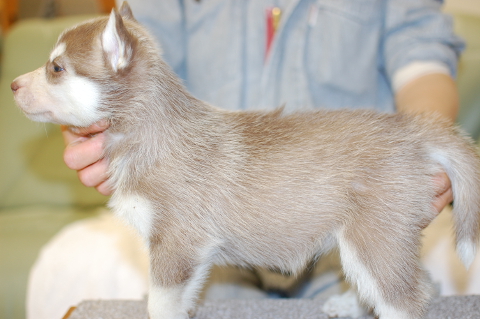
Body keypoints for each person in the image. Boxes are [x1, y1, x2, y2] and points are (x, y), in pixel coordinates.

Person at [28, 0, 464, 318]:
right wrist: (94, 125)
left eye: (56, 71)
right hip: (221, 255)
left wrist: (413, 156)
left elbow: (423, 61)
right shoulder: (127, 55)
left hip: (342, 194)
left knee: (388, 284)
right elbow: (137, 63)